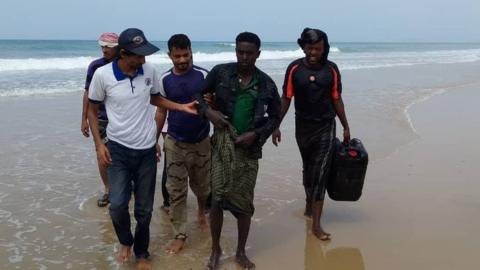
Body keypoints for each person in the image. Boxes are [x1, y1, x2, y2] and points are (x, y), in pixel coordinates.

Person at [87, 28, 197, 270]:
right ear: (123, 54)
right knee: (117, 205)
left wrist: (181, 107)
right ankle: (126, 241)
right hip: (118, 149)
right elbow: (93, 111)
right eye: (139, 55)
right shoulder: (103, 75)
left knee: (144, 209)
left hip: (146, 150)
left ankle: (142, 252)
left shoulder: (149, 71)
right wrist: (98, 146)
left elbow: (156, 99)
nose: (144, 60)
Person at [195, 32, 281, 270]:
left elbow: (275, 115)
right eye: (240, 52)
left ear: (258, 54)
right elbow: (196, 95)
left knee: (244, 201)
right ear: (235, 51)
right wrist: (208, 112)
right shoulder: (220, 72)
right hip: (222, 143)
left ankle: (241, 252)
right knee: (218, 197)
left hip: (249, 149)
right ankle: (215, 250)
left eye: (249, 53)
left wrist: (257, 135)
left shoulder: (265, 83)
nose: (244, 57)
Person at [271, 28, 351, 241]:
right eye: (309, 48)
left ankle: (316, 225)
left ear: (324, 48)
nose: (313, 52)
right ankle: (309, 204)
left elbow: (336, 98)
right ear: (303, 47)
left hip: (326, 126)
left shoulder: (331, 70)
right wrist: (275, 124)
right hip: (303, 128)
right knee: (309, 170)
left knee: (321, 173)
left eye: (317, 48)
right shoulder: (295, 69)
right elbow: (286, 98)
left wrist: (345, 125)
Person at [155, 34, 211, 255]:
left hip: (202, 141)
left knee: (202, 187)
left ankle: (200, 211)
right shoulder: (164, 79)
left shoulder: (204, 76)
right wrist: (154, 140)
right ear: (170, 55)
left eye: (185, 54)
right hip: (175, 142)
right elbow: (161, 110)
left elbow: (213, 105)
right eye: (176, 56)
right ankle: (180, 234)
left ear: (191, 51)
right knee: (176, 191)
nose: (181, 60)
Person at [80, 32, 118, 207]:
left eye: (109, 46)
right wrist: (84, 119)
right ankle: (108, 189)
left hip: (121, 119)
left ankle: (124, 185)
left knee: (121, 155)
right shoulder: (95, 66)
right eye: (102, 46)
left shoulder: (124, 65)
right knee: (101, 155)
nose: (104, 50)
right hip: (101, 118)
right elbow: (87, 93)